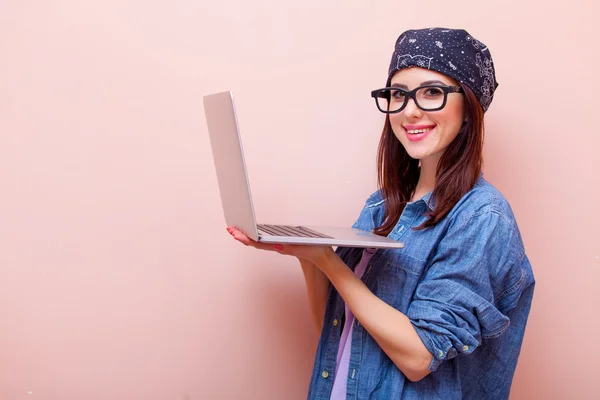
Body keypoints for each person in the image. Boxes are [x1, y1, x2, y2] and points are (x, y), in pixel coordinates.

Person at [227, 27, 535, 400]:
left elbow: (420, 356)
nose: (410, 110)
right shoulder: (382, 205)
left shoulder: (481, 217)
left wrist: (328, 258)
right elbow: (337, 328)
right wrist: (307, 256)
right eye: (398, 94)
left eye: (432, 92)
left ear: (469, 107)